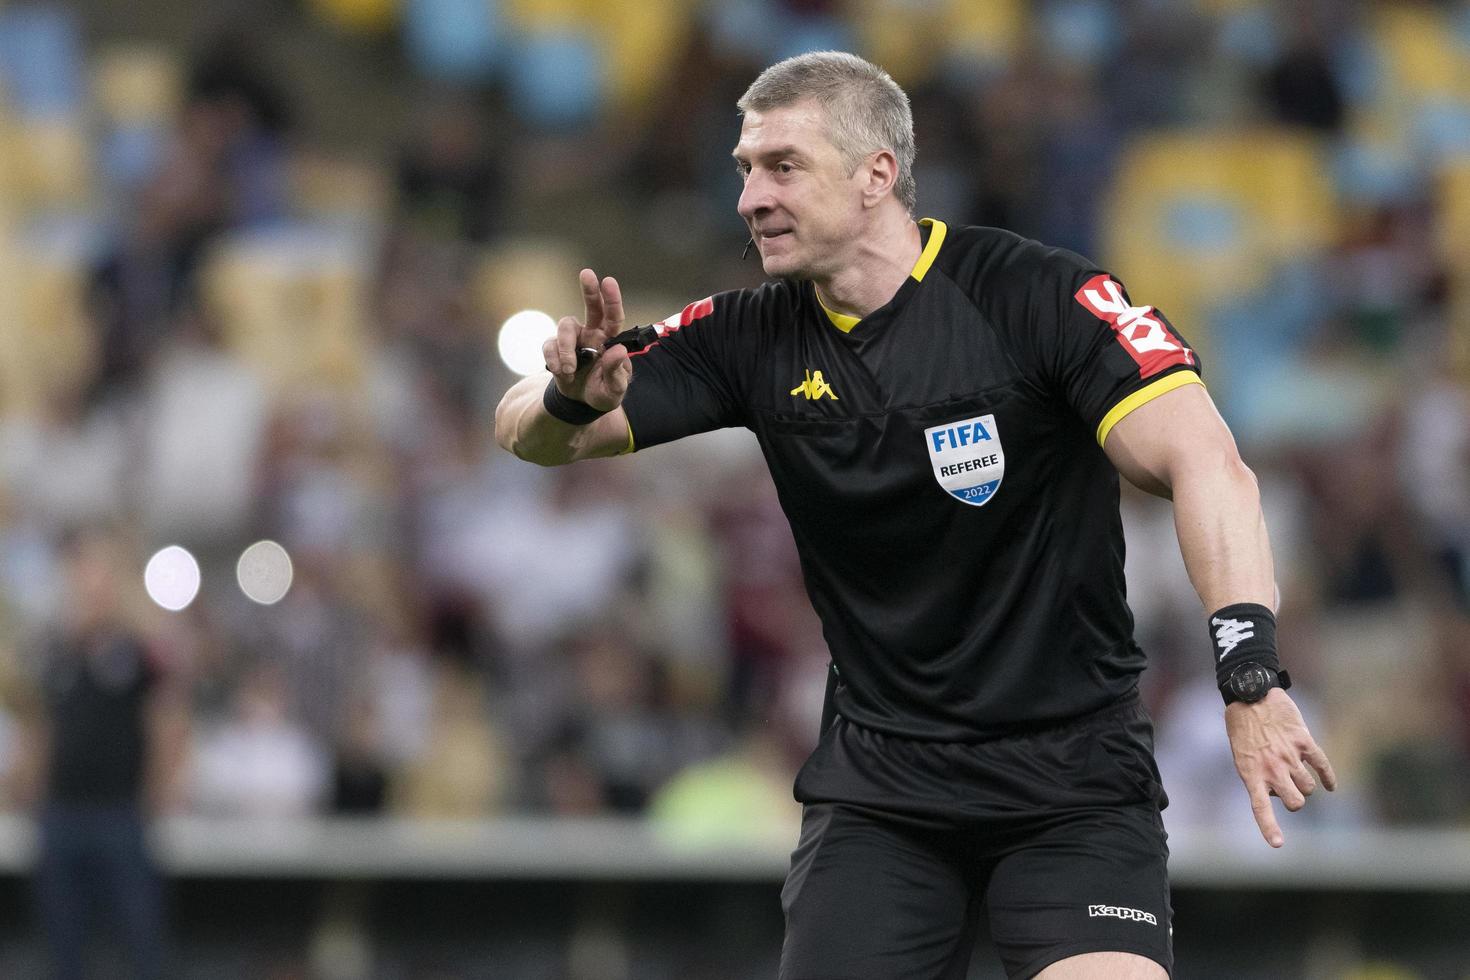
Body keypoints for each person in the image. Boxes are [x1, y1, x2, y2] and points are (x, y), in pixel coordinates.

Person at [494, 51, 1337, 980]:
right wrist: (570, 397)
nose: (750, 198)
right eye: (743, 170)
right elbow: (530, 431)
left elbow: (1208, 464)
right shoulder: (747, 334)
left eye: (783, 166)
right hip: (884, 796)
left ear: (877, 175)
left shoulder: (1034, 296)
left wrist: (1250, 674)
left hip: (1072, 784)